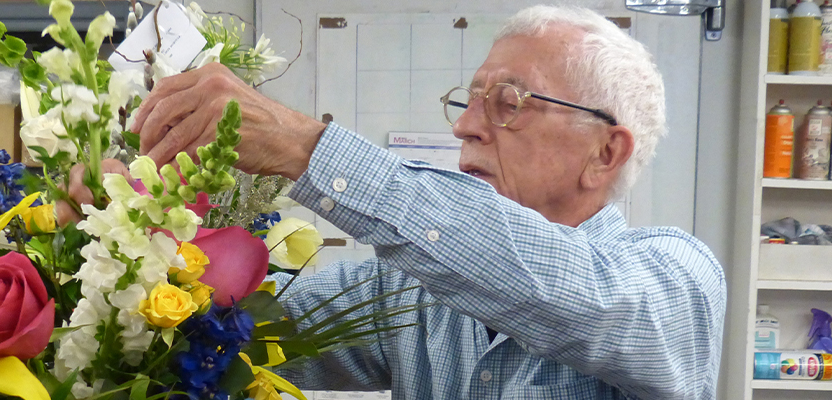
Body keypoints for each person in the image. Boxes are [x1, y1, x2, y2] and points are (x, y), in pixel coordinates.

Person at [65, 5, 725, 399]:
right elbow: (218, 336)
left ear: (605, 153)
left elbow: (568, 291)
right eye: (468, 101)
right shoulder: (408, 292)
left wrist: (307, 149)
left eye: (509, 103)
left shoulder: (678, 280)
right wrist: (115, 238)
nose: (467, 125)